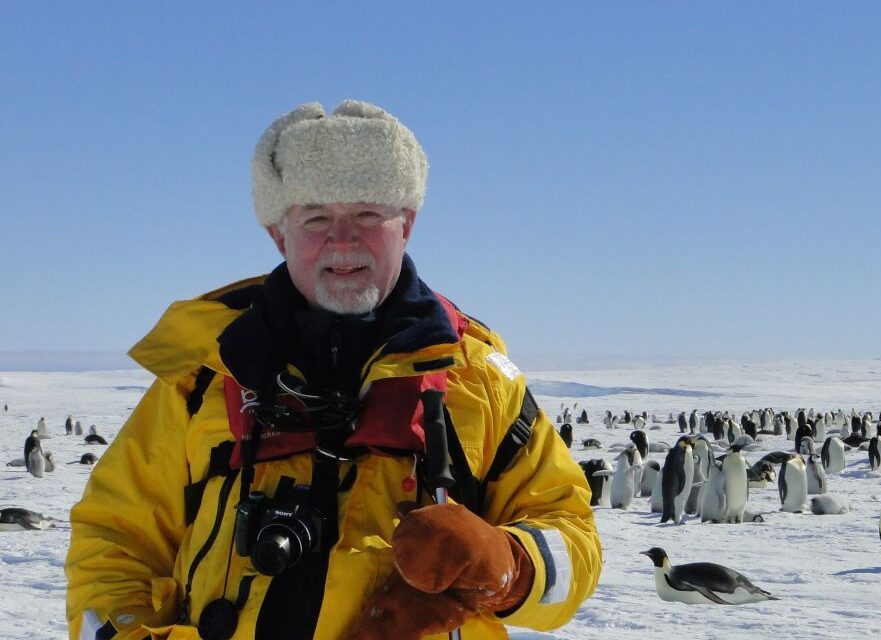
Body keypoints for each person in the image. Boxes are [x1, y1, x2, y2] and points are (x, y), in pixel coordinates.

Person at [65, 100, 601, 640]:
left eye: (368, 214)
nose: (343, 240)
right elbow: (112, 540)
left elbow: (572, 535)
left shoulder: (478, 381)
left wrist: (510, 565)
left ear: (406, 224)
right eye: (316, 217)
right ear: (280, 234)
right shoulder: (204, 378)